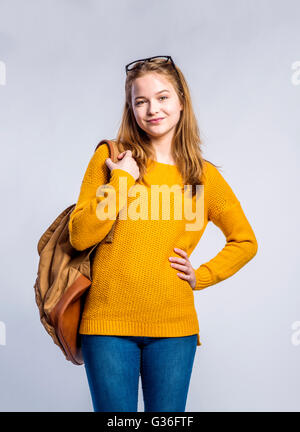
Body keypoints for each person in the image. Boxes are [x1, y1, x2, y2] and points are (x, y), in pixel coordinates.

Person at [68, 55, 258, 412]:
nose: (152, 109)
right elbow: (81, 235)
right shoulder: (111, 159)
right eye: (141, 101)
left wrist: (201, 275)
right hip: (106, 326)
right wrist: (123, 178)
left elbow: (245, 241)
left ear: (181, 101)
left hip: (174, 330)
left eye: (162, 97)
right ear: (131, 108)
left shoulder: (201, 178)